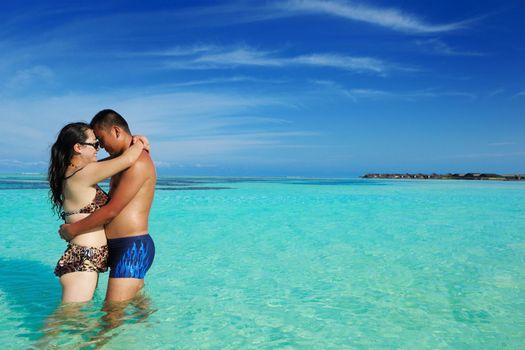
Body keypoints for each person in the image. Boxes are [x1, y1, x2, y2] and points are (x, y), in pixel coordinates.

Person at [59, 109, 157, 302]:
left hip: (131, 246)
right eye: (96, 143)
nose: (100, 147)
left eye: (101, 140)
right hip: (115, 246)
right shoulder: (120, 161)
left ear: (116, 131)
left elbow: (112, 210)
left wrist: (73, 229)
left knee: (110, 317)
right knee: (136, 306)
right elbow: (90, 168)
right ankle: (150, 329)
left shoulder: (137, 162)